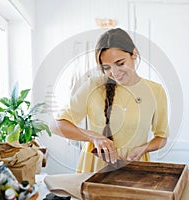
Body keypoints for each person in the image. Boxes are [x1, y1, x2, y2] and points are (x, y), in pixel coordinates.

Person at [55, 28, 169, 173]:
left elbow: (161, 137)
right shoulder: (93, 87)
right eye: (107, 67)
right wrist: (93, 137)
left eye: (120, 63)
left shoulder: (155, 91)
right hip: (94, 170)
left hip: (135, 170)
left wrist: (143, 149)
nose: (114, 73)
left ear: (134, 54)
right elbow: (56, 125)